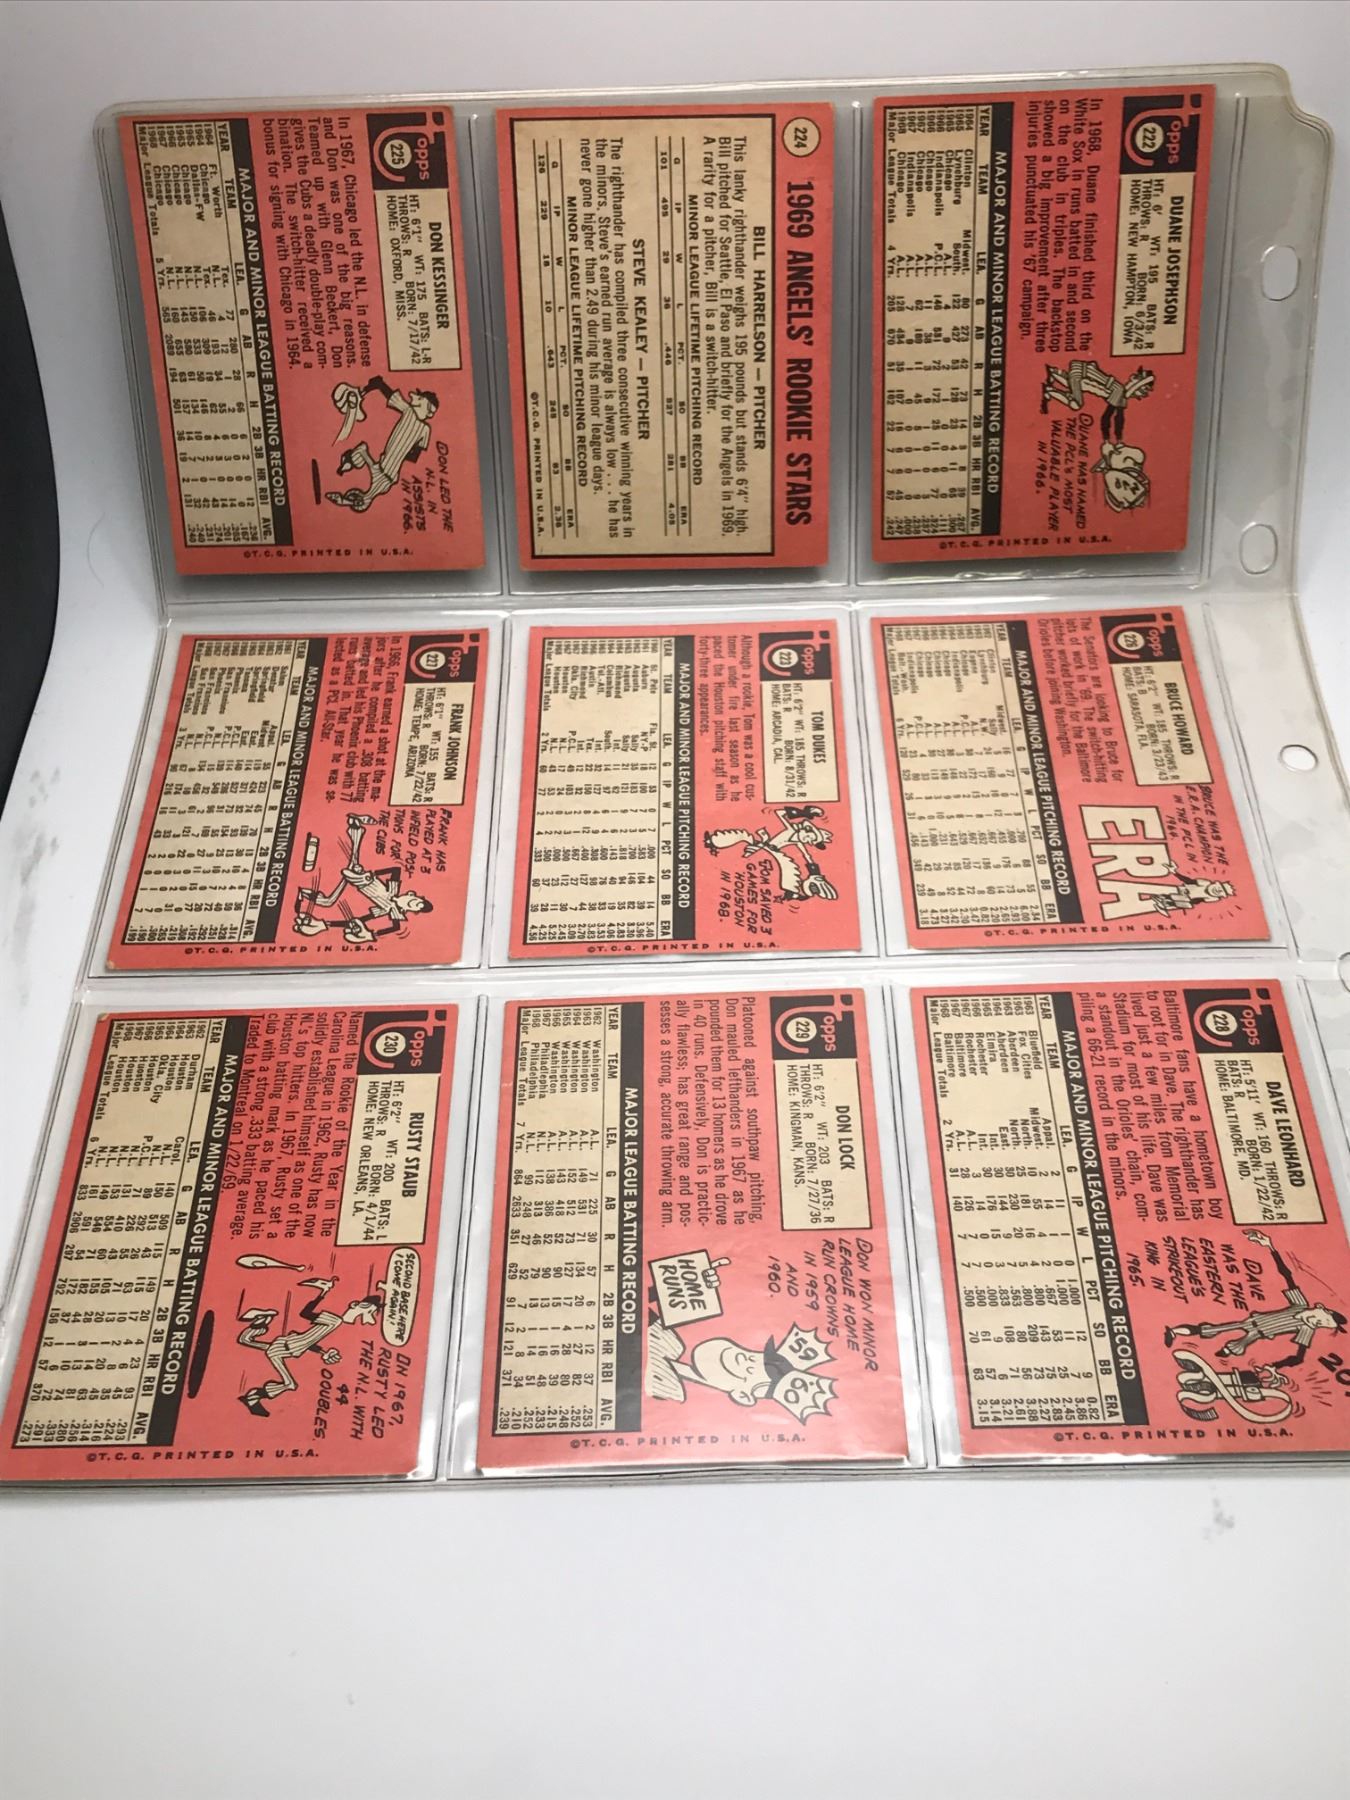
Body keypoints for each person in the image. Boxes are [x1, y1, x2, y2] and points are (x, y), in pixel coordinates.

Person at [1165, 1230, 1347, 1371]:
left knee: (1236, 1347)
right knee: (1212, 1329)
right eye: (1321, 1319)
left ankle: (1221, 1356)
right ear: (1320, 1307)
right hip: (1251, 1321)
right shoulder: (1300, 1303)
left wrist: (1275, 1366)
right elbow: (1287, 1275)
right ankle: (1174, 1331)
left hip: (1257, 1333)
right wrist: (1271, 1247)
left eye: (1322, 1325)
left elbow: (1299, 1357)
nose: (1316, 1323)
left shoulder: (1306, 1329)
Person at [237, 1278, 382, 1417]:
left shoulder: (337, 1324)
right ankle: (253, 1397)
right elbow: (305, 1313)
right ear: (355, 1304)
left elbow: (310, 1340)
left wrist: (323, 1352)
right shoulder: (335, 1321)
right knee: (290, 1384)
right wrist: (323, 1293)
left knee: (247, 1341)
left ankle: (261, 1321)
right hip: (286, 1348)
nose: (369, 1318)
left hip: (290, 1346)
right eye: (368, 1311)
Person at [293, 813, 433, 943]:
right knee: (332, 896)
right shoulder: (393, 889)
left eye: (414, 906)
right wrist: (372, 874)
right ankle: (356, 830)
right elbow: (396, 871)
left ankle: (357, 830)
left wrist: (370, 935)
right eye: (415, 901)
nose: (412, 903)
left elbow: (365, 920)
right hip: (364, 878)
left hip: (358, 882)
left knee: (331, 897)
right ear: (411, 894)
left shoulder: (390, 911)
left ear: (413, 911)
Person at [325, 376, 439, 512]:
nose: (416, 398)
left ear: (429, 412)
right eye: (420, 398)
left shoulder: (425, 429)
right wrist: (379, 385)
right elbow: (392, 396)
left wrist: (400, 450)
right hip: (387, 473)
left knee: (363, 453)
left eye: (422, 400)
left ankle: (347, 467)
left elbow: (414, 456)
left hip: (387, 472)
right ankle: (348, 465)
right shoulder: (410, 412)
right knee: (363, 454)